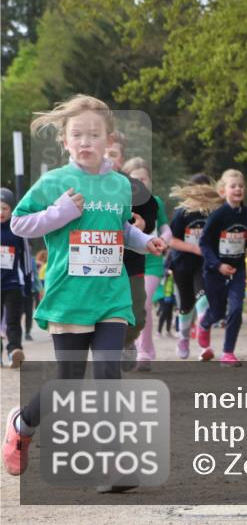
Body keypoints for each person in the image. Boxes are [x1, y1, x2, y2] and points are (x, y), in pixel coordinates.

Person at [3, 95, 165, 480]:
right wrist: (59, 213)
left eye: (94, 134)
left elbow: (120, 229)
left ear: (109, 139)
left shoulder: (119, 186)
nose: (86, 141)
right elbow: (19, 225)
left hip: (111, 295)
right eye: (78, 134)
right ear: (65, 140)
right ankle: (22, 426)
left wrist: (144, 242)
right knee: (69, 382)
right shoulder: (54, 182)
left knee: (109, 373)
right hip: (70, 297)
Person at [105, 132, 159, 372]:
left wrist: (143, 224)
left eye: (113, 154)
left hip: (132, 262)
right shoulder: (81, 184)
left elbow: (151, 209)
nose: (107, 158)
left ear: (121, 159)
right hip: (96, 263)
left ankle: (128, 341)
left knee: (138, 309)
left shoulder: (133, 187)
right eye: (104, 152)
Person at [196, 169, 247, 367]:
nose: (238, 189)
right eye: (233, 186)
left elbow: (245, 243)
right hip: (215, 271)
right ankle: (204, 324)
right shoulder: (218, 216)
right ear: (223, 191)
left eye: (241, 186)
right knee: (217, 313)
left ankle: (228, 353)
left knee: (236, 309)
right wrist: (218, 265)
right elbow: (204, 243)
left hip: (238, 269)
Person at [121, 157, 172, 371]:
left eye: (144, 179)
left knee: (145, 304)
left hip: (150, 262)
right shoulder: (119, 201)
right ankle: (127, 342)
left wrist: (164, 241)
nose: (140, 183)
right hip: (125, 261)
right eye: (135, 179)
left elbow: (165, 229)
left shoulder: (155, 202)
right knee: (126, 307)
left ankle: (145, 352)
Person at [167, 174, 220, 358]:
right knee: (186, 305)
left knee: (203, 298)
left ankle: (204, 344)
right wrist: (194, 248)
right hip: (182, 263)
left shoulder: (214, 213)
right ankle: (183, 337)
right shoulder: (182, 212)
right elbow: (171, 240)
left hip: (203, 264)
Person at [1, 187, 33, 368]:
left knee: (13, 321)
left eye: (5, 208)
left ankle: (14, 351)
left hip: (13, 284)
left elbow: (27, 259)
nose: (1, 212)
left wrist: (28, 284)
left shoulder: (18, 229)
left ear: (11, 209)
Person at [156, 269, 176, 337]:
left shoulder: (173, 272)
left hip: (171, 295)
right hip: (162, 295)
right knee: (164, 312)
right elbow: (160, 281)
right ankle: (159, 331)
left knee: (169, 314)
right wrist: (165, 275)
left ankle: (168, 331)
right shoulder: (163, 270)